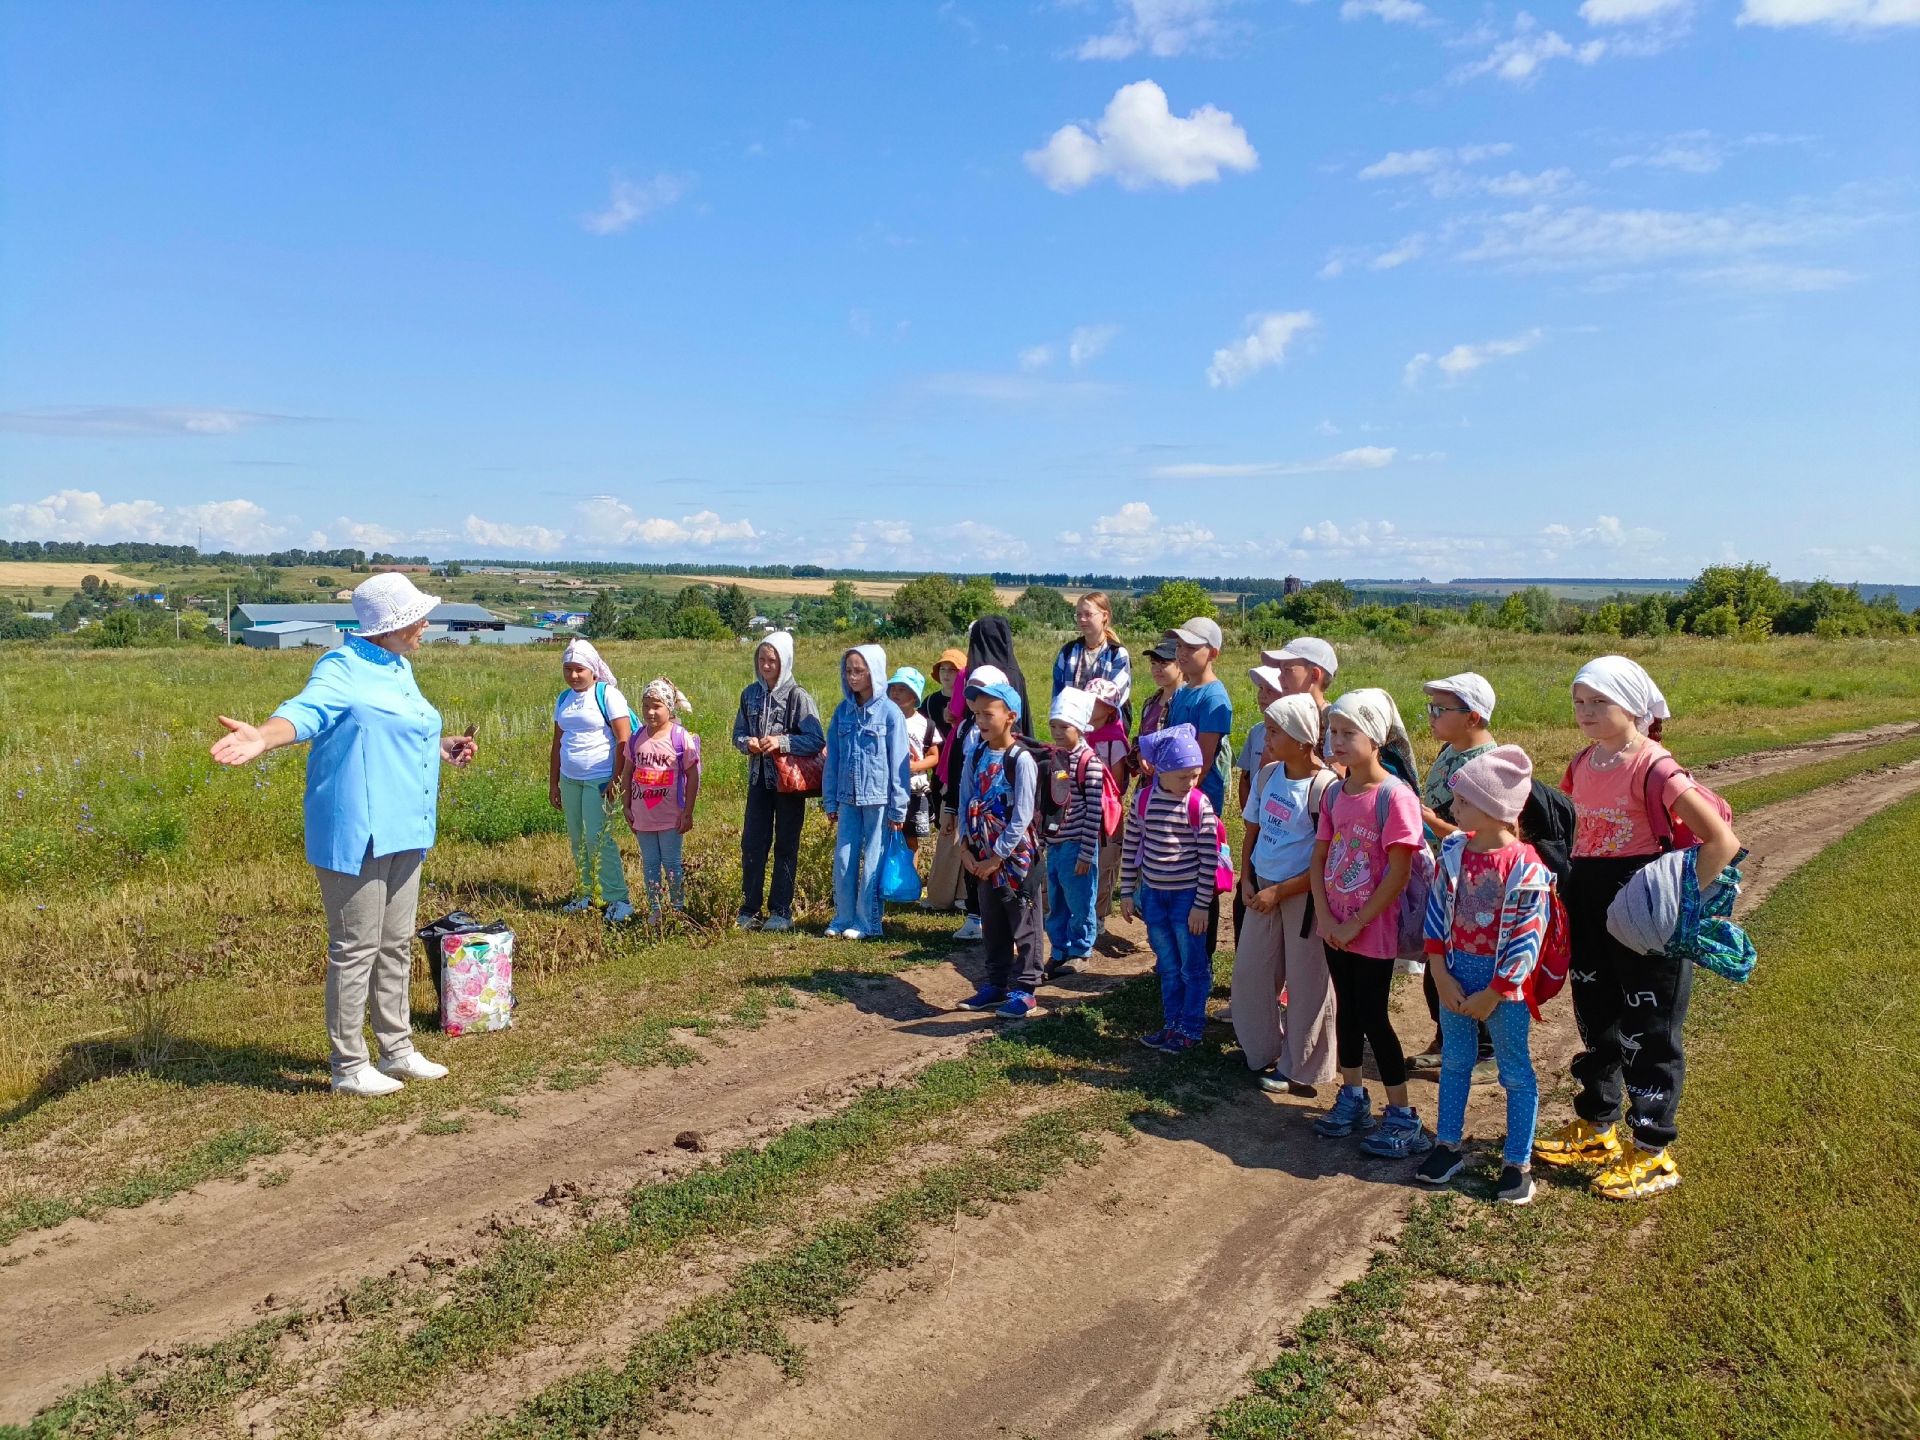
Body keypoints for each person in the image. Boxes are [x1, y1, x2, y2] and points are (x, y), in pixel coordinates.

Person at [208, 573, 475, 1097]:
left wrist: (441, 745)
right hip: (358, 830)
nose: (427, 625)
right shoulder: (341, 667)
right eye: (419, 616)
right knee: (356, 947)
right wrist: (263, 735)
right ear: (393, 624)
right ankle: (348, 1065)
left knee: (395, 944)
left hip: (406, 824)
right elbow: (306, 711)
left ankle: (396, 1049)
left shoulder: (398, 666)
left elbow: (388, 728)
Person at [1534, 656, 1742, 1202]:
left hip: (1643, 912)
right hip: (1590, 900)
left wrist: (1673, 900)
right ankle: (1598, 1127)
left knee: (1649, 1030)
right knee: (1598, 1018)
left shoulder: (1655, 767)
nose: (1586, 712)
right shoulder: (1583, 763)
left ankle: (1653, 1153)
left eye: (1599, 702)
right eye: (1580, 702)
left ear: (1632, 705)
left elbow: (1721, 842)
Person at [1416, 745, 1554, 1206]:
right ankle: (1447, 1145)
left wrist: (1496, 991)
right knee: (1456, 1061)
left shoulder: (1527, 867)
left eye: (1463, 802)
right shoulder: (1454, 851)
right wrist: (1438, 970)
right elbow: (1437, 913)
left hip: (1504, 988)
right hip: (1455, 973)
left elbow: (1528, 937)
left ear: (1495, 810)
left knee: (1514, 1071)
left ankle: (1517, 1163)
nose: (1452, 810)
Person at [1310, 689, 1433, 1159]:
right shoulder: (1335, 792)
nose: (1336, 740)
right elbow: (1321, 855)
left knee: (1375, 1017)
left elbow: (1398, 873)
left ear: (1376, 738)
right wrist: (1325, 916)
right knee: (1347, 1012)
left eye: (1348, 732)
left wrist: (1355, 923)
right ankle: (1353, 1096)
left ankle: (1402, 1114)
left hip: (1371, 932)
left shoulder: (1394, 797)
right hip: (1334, 928)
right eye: (1333, 731)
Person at [1231, 695, 1339, 1096]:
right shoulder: (1268, 775)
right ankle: (1262, 1051)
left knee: (1307, 981)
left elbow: (1324, 860)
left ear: (1302, 738)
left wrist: (1281, 891)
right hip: (1262, 889)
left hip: (1302, 896)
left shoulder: (1325, 788)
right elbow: (1252, 831)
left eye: (1275, 730)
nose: (1267, 737)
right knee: (1251, 975)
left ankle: (1303, 1068)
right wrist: (1247, 879)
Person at [1406, 671, 1501, 1075]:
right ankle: (1449, 1040)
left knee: (1468, 964)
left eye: (1439, 709)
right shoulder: (1452, 751)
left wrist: (1430, 822)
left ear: (1473, 717)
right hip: (1445, 876)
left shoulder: (1488, 764)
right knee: (1438, 962)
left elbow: (1489, 836)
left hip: (1473, 885)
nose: (1430, 716)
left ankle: (1483, 1052)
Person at [1119, 724, 1220, 1055]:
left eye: (1194, 775)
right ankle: (1172, 1024)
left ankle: (1191, 1027)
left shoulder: (1199, 805)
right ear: (1161, 770)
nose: (1191, 783)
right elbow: (1132, 844)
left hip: (1187, 899)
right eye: (1183, 777)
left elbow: (1209, 859)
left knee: (1193, 965)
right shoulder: (1144, 800)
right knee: (1167, 964)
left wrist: (1201, 905)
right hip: (1154, 897)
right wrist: (1126, 891)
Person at [951, 667, 1045, 1019]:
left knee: (1023, 920)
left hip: (1015, 859)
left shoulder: (1021, 760)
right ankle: (996, 983)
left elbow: (1022, 816)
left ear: (1011, 717)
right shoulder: (975, 754)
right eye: (976, 714)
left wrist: (997, 857)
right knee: (992, 920)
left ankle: (1027, 989)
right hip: (980, 853)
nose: (980, 721)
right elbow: (965, 798)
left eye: (988, 714)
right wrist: (964, 846)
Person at [943, 617, 1033, 941]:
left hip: (1002, 807)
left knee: (1008, 882)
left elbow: (954, 714)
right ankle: (992, 930)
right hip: (981, 808)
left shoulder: (977, 676)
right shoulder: (1014, 673)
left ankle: (1016, 958)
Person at [732, 630, 825, 933]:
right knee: (753, 843)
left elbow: (815, 739)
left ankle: (781, 911)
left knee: (786, 844)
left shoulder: (798, 696)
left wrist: (781, 742)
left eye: (772, 660)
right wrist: (748, 743)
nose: (766, 665)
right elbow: (738, 734)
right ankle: (749, 909)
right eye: (762, 658)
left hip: (788, 784)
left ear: (785, 661)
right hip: (759, 780)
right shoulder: (749, 694)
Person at [822, 643, 910, 939]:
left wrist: (899, 808)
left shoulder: (890, 713)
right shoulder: (842, 711)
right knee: (844, 859)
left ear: (874, 672)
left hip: (879, 799)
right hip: (847, 797)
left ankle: (867, 922)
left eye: (859, 671)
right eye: (848, 670)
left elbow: (900, 763)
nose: (852, 677)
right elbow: (831, 757)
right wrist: (830, 798)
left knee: (873, 858)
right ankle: (842, 916)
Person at [549, 638, 635, 923]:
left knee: (598, 838)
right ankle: (585, 894)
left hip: (599, 778)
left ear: (593, 670)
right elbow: (557, 742)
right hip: (570, 778)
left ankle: (618, 898)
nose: (573, 675)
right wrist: (554, 783)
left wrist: (616, 779)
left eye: (579, 670)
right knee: (576, 837)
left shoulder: (607, 695)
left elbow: (623, 740)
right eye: (568, 669)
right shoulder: (563, 699)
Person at [1166, 618, 1233, 954]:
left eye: (1192, 647)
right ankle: (1182, 952)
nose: (1182, 653)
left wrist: (1177, 792)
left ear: (1213, 653)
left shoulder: (1214, 698)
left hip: (1197, 800)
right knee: (1177, 873)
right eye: (1179, 646)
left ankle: (1200, 958)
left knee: (1200, 878)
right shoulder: (1182, 692)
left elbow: (1202, 761)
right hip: (1176, 795)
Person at [1042, 687, 1107, 980]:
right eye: (1053, 725)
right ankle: (1059, 950)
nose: (1056, 732)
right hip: (1055, 845)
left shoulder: (1089, 763)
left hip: (1076, 844)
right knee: (1055, 899)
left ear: (1079, 728)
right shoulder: (1055, 758)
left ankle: (1080, 950)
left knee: (1080, 899)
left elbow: (1095, 811)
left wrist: (1085, 851)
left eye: (1063, 726)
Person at [623, 678, 702, 918]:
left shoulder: (680, 738)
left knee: (671, 863)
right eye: (646, 705)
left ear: (670, 707)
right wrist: (625, 805)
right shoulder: (637, 738)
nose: (650, 711)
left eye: (656, 706)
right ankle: (655, 912)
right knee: (649, 865)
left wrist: (687, 811)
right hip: (643, 814)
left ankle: (677, 910)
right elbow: (627, 772)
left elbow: (693, 776)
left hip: (671, 816)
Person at [1231, 660, 1287, 945]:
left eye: (1270, 690)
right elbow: (1245, 778)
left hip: (1284, 833)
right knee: (1246, 891)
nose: (1262, 696)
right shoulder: (1256, 732)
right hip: (1259, 827)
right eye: (1260, 689)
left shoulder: (1297, 736)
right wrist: (1250, 816)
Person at [1083, 676, 1134, 943]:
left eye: (1098, 702)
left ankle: (1099, 914)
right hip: (1080, 806)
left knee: (1106, 861)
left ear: (1110, 709)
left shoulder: (1114, 740)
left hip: (1106, 809)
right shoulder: (1080, 732)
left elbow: (1116, 781)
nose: (1092, 705)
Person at [920, 648, 968, 912]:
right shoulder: (930, 703)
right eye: (943, 670)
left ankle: (958, 890)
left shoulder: (971, 700)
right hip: (938, 770)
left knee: (959, 828)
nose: (947, 674)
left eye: (953, 670)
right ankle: (948, 889)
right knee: (944, 824)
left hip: (960, 768)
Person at [1052, 591, 1132, 723]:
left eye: (1088, 614)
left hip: (1104, 731)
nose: (1082, 619)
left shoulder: (1117, 653)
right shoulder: (1068, 651)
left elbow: (1115, 697)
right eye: (1078, 615)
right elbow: (1057, 693)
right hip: (1070, 728)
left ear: (1104, 616)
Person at [888, 666, 940, 855]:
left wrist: (915, 766)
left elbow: (934, 755)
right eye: (893, 688)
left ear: (914, 695)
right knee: (887, 835)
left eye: (902, 689)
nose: (895, 692)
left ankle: (910, 879)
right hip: (887, 788)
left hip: (915, 789)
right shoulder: (884, 719)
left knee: (911, 839)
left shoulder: (925, 724)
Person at [1261, 638, 1339, 761]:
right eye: (1280, 670)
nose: (1280, 678)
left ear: (1314, 675)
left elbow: (1336, 775)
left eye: (1287, 670)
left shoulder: (1334, 723)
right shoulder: (1283, 717)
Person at [1131, 635, 1181, 786]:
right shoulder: (1150, 703)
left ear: (1180, 664)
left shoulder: (1186, 702)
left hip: (1174, 784)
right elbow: (1140, 738)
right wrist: (1139, 753)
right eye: (1153, 663)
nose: (1157, 670)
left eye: (1164, 663)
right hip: (1148, 784)